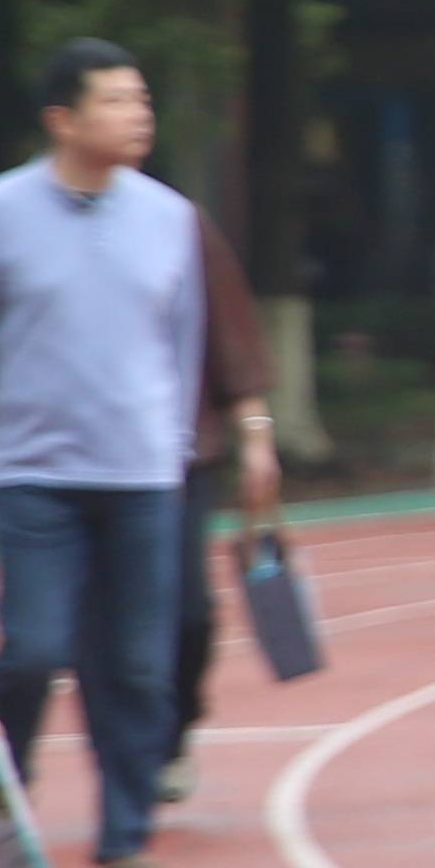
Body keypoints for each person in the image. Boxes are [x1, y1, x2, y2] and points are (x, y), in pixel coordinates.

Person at [0, 40, 213, 868]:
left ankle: (125, 843)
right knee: (31, 653)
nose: (141, 114)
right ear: (62, 118)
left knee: (134, 668)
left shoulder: (170, 215)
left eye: (143, 98)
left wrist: (174, 450)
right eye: (119, 100)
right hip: (35, 475)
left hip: (141, 475)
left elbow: (184, 344)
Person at [151, 212, 286, 805]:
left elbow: (229, 334)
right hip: (78, 464)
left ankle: (173, 730)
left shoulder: (178, 223)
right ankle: (128, 769)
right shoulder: (19, 219)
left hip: (182, 453)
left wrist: (256, 436)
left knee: (190, 613)